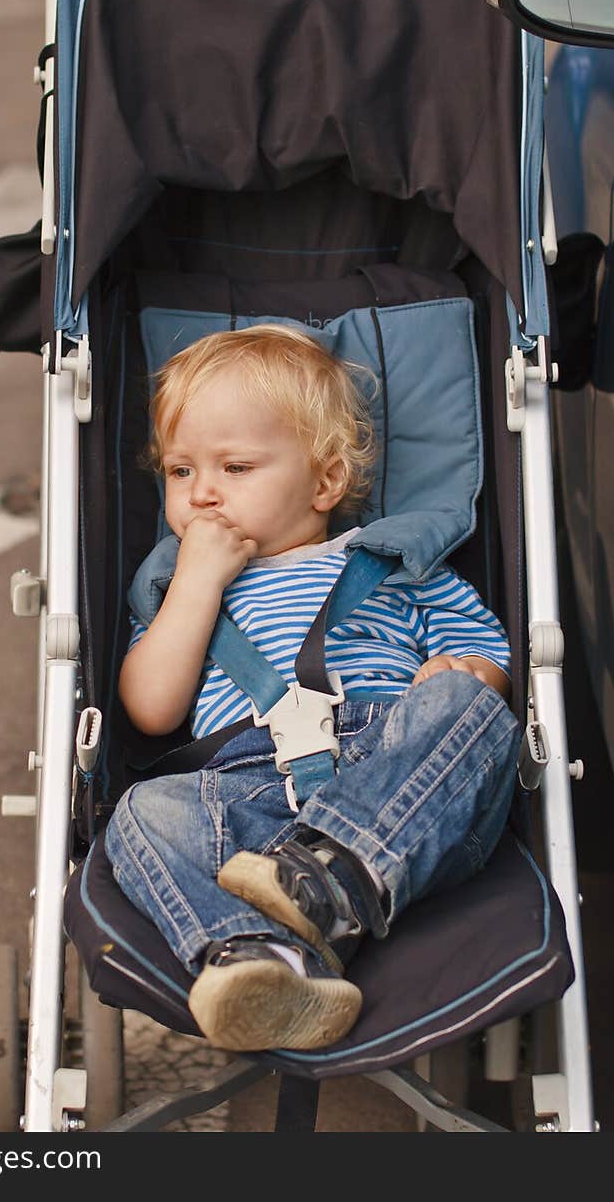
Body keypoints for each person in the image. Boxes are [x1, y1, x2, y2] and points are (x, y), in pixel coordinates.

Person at [105, 323, 520, 1053]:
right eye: (178, 472)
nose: (201, 495)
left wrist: (462, 673)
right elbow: (150, 711)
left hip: (396, 781)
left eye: (234, 467)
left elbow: (486, 657)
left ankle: (335, 880)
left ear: (325, 482)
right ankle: (265, 960)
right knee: (141, 811)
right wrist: (199, 582)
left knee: (467, 708)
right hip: (248, 789)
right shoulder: (179, 592)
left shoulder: (394, 565)